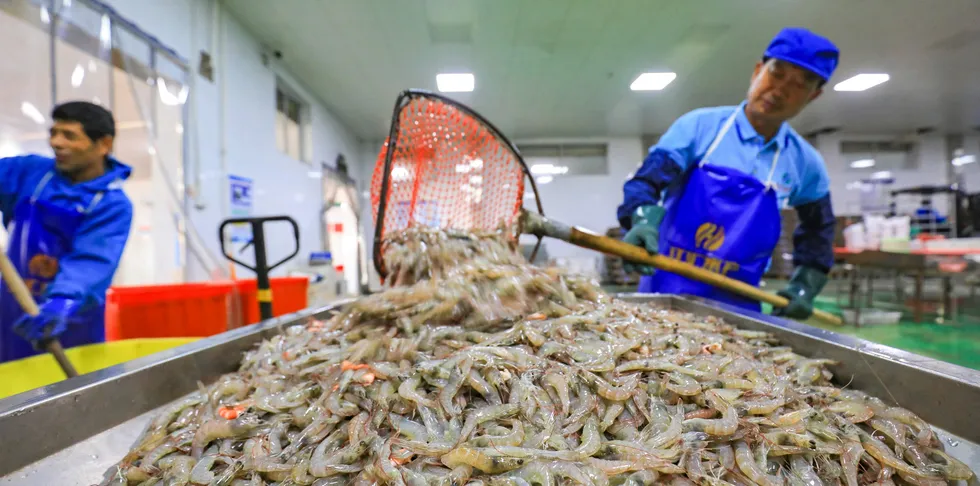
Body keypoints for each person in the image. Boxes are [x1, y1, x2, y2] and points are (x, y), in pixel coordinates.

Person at [616, 27, 838, 319]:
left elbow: (817, 233)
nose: (780, 90)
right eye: (777, 73)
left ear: (814, 96)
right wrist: (641, 220)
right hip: (664, 294)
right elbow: (646, 182)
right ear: (758, 70)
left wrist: (805, 287)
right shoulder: (698, 128)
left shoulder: (806, 164)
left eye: (799, 85)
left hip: (739, 305)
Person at [0, 101, 133, 362]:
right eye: (54, 133)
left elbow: (90, 263)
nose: (56, 143)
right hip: (10, 311)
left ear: (104, 144)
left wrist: (60, 304)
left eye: (69, 136)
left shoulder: (112, 204)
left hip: (70, 323)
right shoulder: (32, 172)